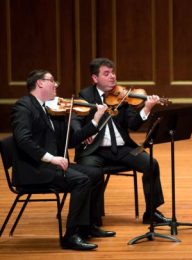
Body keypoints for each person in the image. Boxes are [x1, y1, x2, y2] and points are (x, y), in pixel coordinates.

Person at [11, 69, 116, 251]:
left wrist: (96, 120)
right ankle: (71, 235)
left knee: (96, 173)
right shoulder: (24, 106)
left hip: (48, 166)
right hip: (34, 170)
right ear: (40, 83)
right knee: (81, 180)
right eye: (52, 80)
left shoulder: (49, 109)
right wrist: (52, 158)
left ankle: (87, 226)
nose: (56, 85)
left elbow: (72, 140)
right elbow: (23, 140)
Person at [71, 57, 169, 224]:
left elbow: (133, 124)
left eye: (113, 73)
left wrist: (146, 108)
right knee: (91, 172)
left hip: (122, 148)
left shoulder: (123, 96)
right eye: (106, 73)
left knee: (151, 164)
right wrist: (81, 132)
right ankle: (93, 218)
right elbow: (74, 119)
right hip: (95, 150)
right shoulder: (86, 95)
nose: (112, 77)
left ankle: (152, 212)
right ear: (95, 78)